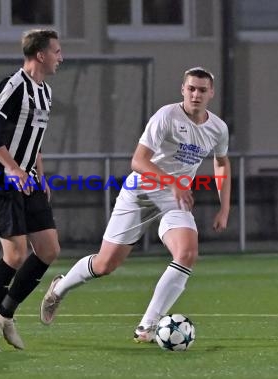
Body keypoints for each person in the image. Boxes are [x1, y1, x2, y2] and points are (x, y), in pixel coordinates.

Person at [40, 67, 231, 343]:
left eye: (202, 90)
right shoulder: (166, 116)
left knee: (187, 252)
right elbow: (138, 161)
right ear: (183, 90)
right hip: (140, 190)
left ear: (211, 93)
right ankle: (59, 289)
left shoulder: (217, 128)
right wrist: (173, 182)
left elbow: (222, 162)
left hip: (173, 199)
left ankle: (147, 326)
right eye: (191, 89)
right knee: (105, 264)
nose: (196, 94)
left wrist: (224, 207)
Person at [0, 29, 63, 352]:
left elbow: (34, 139)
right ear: (40, 55)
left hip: (29, 180)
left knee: (49, 250)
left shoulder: (46, 92)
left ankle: (5, 313)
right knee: (15, 255)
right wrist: (12, 167)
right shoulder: (13, 86)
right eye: (56, 51)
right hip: (2, 178)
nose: (60, 57)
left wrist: (40, 174)